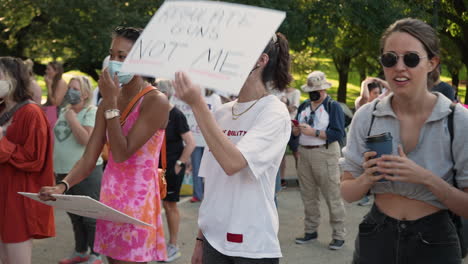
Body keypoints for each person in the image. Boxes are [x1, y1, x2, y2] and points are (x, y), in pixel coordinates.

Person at [340, 18, 468, 264]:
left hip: (435, 240)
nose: (399, 67)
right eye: (390, 58)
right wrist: (368, 177)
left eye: (410, 58)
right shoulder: (367, 115)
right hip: (375, 237)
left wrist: (424, 177)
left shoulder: (458, 120)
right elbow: (347, 192)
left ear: (432, 63)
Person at [39, 26, 170, 264]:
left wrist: (109, 101)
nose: (115, 62)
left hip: (137, 203)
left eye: (123, 56)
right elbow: (90, 157)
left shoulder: (155, 100)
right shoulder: (109, 101)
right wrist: (63, 185)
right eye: (113, 55)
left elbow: (120, 153)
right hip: (109, 198)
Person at [173, 32, 292, 264]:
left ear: (261, 60)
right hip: (213, 241)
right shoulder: (222, 112)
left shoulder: (274, 112)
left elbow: (232, 164)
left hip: (252, 245)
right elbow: (213, 183)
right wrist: (200, 239)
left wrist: (197, 104)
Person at [0, 56, 55, 264]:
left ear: (13, 79)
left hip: (17, 196)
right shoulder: (2, 109)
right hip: (3, 191)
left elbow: (34, 158)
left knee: (16, 259)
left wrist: (2, 142)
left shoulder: (31, 112)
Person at [292, 71, 347, 250]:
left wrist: (314, 133)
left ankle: (339, 234)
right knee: (308, 196)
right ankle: (310, 231)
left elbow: (338, 133)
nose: (314, 93)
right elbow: (296, 131)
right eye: (311, 90)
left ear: (323, 89)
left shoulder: (333, 106)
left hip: (325, 154)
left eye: (317, 90)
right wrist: (296, 134)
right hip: (304, 153)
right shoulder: (304, 106)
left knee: (332, 195)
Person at [53, 76, 104, 264]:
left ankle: (96, 254)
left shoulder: (91, 111)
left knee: (90, 215)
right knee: (74, 215)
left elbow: (86, 140)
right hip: (63, 172)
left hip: (85, 172)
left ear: (85, 93)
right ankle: (80, 251)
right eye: (69, 88)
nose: (70, 92)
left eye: (75, 88)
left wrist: (73, 119)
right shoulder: (64, 111)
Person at [156, 79, 196, 262]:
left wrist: (179, 163)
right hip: (153, 168)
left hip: (171, 169)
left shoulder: (176, 114)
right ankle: (156, 243)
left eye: (155, 93)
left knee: (169, 205)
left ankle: (173, 245)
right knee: (154, 207)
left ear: (164, 94)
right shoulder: (152, 113)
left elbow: (191, 143)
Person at [189, 88, 222, 203]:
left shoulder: (215, 98)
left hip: (210, 139)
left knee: (210, 168)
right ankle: (197, 194)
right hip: (196, 138)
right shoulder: (196, 94)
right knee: (196, 168)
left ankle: (209, 195)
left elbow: (219, 117)